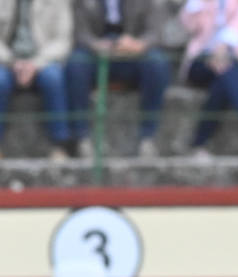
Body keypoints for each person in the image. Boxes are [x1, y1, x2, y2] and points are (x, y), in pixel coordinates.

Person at [65, 0, 174, 159]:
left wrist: (139, 44)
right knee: (76, 64)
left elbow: (156, 32)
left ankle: (147, 137)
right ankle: (82, 138)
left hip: (133, 54)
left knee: (157, 63)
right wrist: (96, 45)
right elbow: (79, 32)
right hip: (96, 54)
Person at [0, 0, 73, 160]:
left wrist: (35, 64)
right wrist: (12, 61)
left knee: (54, 78)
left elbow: (63, 41)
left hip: (43, 62)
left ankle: (59, 146)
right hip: (6, 61)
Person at [179, 0, 238, 159]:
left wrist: (223, 46)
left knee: (223, 78)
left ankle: (198, 145)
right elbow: (189, 26)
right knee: (226, 69)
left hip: (237, 57)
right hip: (202, 59)